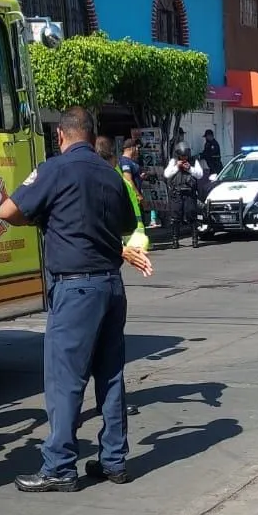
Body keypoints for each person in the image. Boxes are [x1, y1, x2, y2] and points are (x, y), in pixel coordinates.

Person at [0, 108, 149, 492]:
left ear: (62, 136)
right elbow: (128, 226)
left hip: (76, 288)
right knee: (111, 375)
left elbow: (7, 211)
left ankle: (60, 466)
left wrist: (45, 217)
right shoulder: (110, 175)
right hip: (111, 287)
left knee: (65, 380)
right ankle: (114, 460)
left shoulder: (54, 169)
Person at [94, 135, 152, 419]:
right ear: (114, 158)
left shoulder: (107, 178)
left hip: (80, 279)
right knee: (107, 353)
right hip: (98, 277)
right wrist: (127, 250)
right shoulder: (112, 179)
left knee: (86, 358)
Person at [164, 141, 203, 249]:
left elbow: (200, 175)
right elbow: (167, 174)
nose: (184, 158)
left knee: (191, 216)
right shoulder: (173, 161)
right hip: (177, 193)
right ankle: (175, 241)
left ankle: (195, 240)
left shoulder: (194, 161)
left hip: (189, 193)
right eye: (182, 156)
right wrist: (177, 166)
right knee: (175, 218)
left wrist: (189, 168)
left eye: (185, 155)